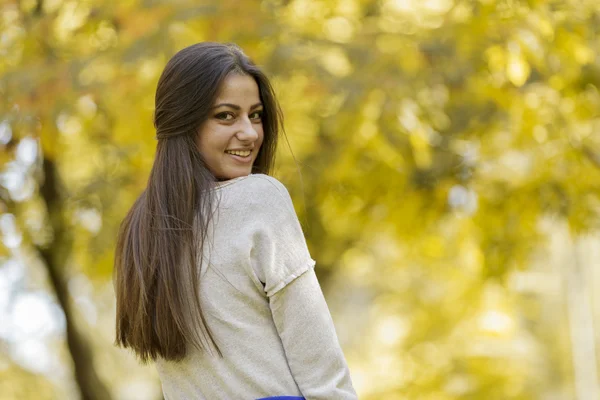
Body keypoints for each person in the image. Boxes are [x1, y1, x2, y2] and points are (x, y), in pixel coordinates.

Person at [113, 42, 358, 399]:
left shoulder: (141, 229)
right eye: (226, 116)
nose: (250, 133)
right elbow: (320, 363)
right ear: (184, 121)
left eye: (255, 115)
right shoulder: (260, 199)